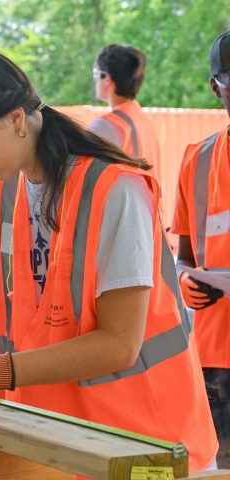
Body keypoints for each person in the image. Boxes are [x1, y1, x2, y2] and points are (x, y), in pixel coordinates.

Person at [0, 47, 216, 471]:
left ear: (14, 117)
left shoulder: (115, 190)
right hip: (59, 437)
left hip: (144, 443)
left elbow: (119, 345)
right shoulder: (4, 194)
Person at [172, 31, 230, 467]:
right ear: (216, 85)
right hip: (217, 358)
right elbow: (184, 257)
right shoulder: (198, 160)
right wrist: (186, 280)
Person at [89, 45, 167, 228]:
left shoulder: (107, 125)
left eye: (95, 74)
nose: (94, 81)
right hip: (151, 223)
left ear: (106, 78)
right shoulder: (143, 120)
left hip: (128, 227)